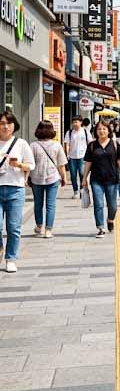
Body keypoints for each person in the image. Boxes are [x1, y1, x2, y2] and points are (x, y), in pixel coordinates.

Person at [0, 112, 34, 272]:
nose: (5, 126)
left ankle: (11, 258)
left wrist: (19, 165)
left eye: (8, 123)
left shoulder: (21, 143)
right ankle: (0, 249)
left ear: (14, 125)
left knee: (13, 227)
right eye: (2, 123)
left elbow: (31, 165)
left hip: (16, 188)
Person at [82, 120, 120, 238]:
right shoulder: (92, 145)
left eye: (104, 129)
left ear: (108, 131)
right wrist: (84, 178)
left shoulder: (115, 144)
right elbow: (88, 163)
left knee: (113, 206)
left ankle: (110, 219)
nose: (101, 131)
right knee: (99, 204)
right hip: (96, 180)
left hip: (112, 179)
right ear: (96, 131)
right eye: (99, 129)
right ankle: (100, 227)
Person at [30, 120, 68, 239]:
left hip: (36, 178)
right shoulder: (57, 145)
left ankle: (39, 226)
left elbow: (30, 164)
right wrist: (64, 178)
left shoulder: (33, 145)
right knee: (51, 205)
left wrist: (27, 177)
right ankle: (48, 230)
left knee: (38, 204)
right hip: (53, 178)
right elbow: (61, 164)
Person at [64, 116, 91, 199]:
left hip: (83, 156)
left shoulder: (85, 132)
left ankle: (82, 191)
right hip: (72, 157)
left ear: (81, 122)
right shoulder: (69, 132)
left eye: (77, 122)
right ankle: (76, 191)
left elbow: (90, 143)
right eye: (74, 122)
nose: (75, 124)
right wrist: (67, 154)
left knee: (82, 174)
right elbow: (67, 144)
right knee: (73, 175)